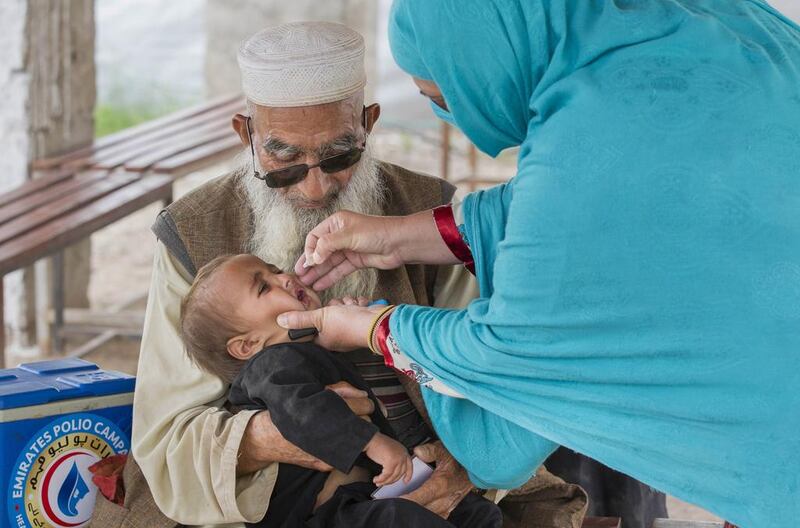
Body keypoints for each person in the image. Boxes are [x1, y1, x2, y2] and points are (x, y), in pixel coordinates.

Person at [275, 2, 800, 527]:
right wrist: (398, 238)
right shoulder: (691, 25)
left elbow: (512, 363)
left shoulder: (592, 122)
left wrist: (376, 327)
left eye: (442, 97)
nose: (448, 116)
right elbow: (612, 196)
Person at [130, 21, 587, 528]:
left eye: (338, 155)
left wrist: (453, 472)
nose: (314, 187)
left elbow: (488, 378)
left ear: (368, 124)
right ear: (247, 135)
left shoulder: (428, 208)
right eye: (284, 158)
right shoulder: (192, 231)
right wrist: (271, 436)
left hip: (433, 470)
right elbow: (166, 436)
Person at [178, 253, 503, 528]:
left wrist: (358, 325)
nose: (285, 279)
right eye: (264, 287)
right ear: (247, 345)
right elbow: (302, 411)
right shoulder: (269, 366)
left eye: (276, 271)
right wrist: (372, 442)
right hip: (323, 513)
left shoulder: (307, 351)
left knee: (476, 513)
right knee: (399, 519)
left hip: (361, 497)